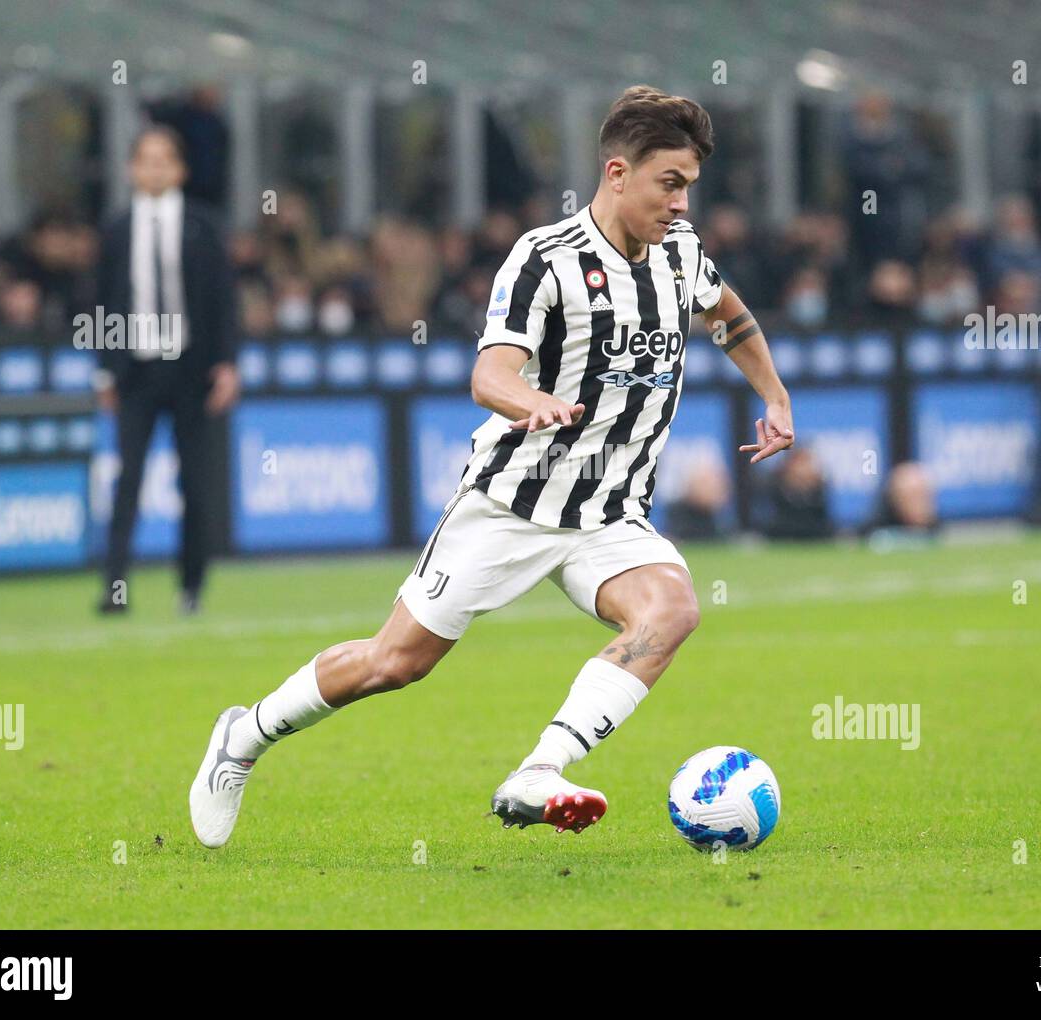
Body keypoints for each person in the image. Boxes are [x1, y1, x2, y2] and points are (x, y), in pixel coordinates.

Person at [189, 85, 796, 848]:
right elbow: (490, 375)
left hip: (606, 513)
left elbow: (729, 315)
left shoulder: (681, 254)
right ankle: (243, 738)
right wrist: (528, 401)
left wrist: (772, 393)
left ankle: (540, 770)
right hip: (510, 502)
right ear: (616, 173)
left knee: (672, 609)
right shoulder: (545, 259)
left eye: (689, 188)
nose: (681, 204)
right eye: (668, 184)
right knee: (394, 663)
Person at [95, 126, 239, 615]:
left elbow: (223, 299)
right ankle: (113, 588)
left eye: (163, 160)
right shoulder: (116, 228)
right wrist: (105, 371)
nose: (153, 169)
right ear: (132, 168)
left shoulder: (204, 225)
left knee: (194, 484)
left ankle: (191, 588)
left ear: (180, 169)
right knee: (127, 480)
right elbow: (103, 300)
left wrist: (227, 365)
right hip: (135, 370)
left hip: (189, 370)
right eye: (145, 160)